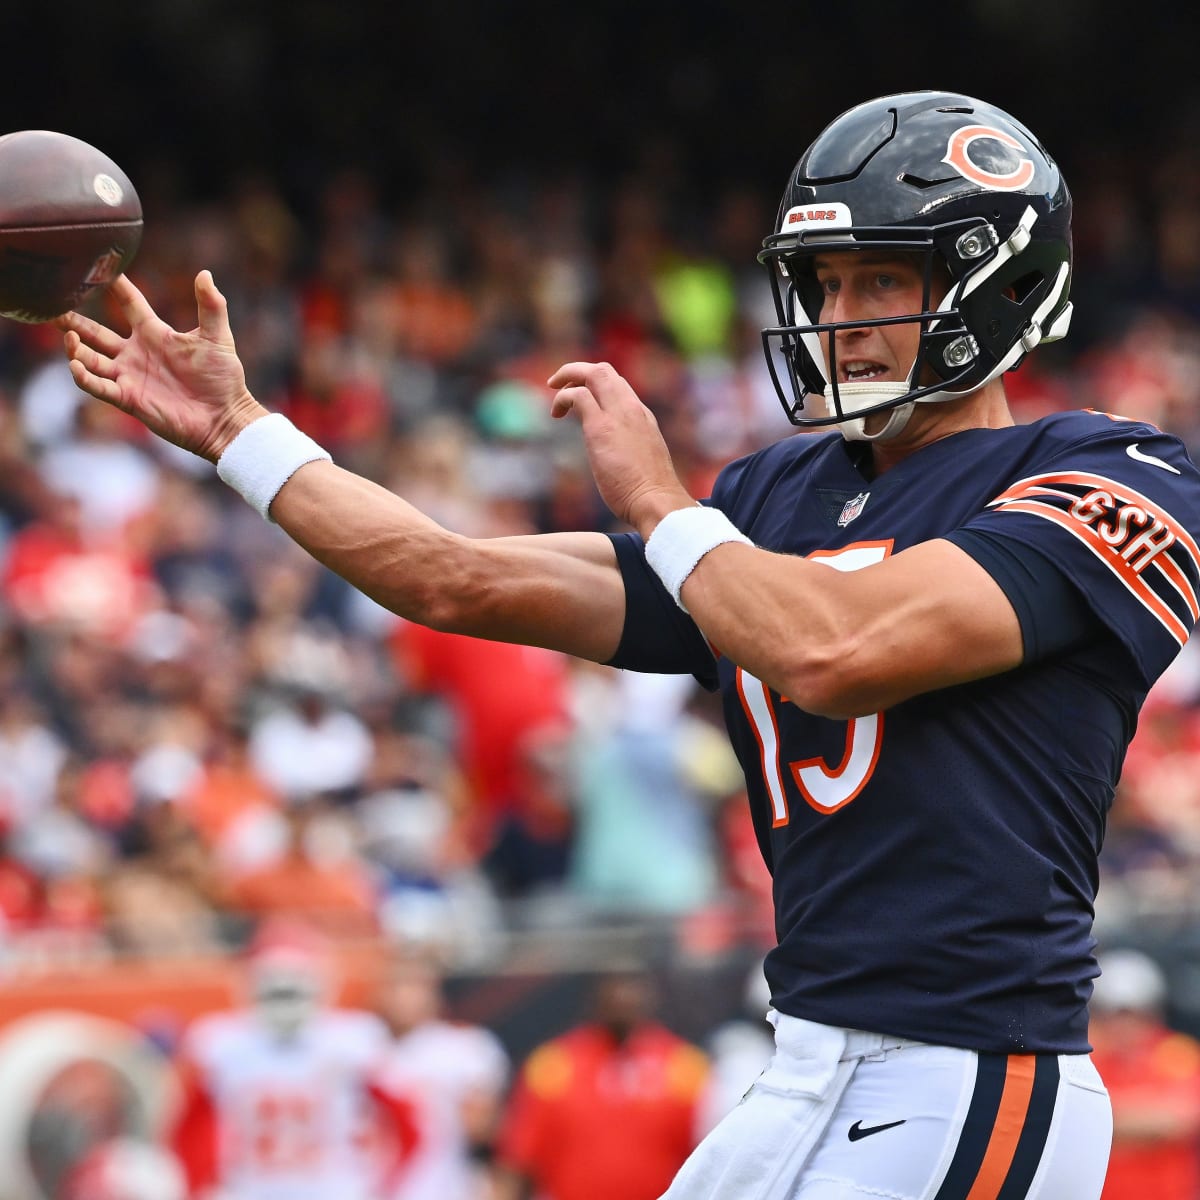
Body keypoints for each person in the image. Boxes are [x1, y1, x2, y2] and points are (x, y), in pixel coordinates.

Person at [55, 88, 1200, 1197]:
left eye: (884, 280)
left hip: (969, 1071)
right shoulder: (775, 497)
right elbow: (448, 576)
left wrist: (665, 506)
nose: (843, 317)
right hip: (800, 1058)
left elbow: (839, 652)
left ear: (998, 283)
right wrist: (240, 433)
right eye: (827, 281)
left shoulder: (1113, 475)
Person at [168, 917, 418, 1200]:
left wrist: (385, 1185)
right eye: (276, 992)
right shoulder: (221, 1044)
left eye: (293, 991)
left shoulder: (354, 1040)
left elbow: (407, 1124)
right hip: (260, 1188)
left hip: (328, 1188)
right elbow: (188, 1130)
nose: (285, 1003)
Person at [494, 967, 709, 1200]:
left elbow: (707, 1159)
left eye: (630, 986)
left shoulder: (683, 1065)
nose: (622, 997)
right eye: (614, 986)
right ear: (596, 997)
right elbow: (517, 1161)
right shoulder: (554, 1065)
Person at [370, 949, 510, 1200]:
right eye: (396, 984)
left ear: (434, 991)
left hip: (441, 1188)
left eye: (414, 985)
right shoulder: (357, 1046)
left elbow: (484, 1130)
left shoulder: (462, 1048)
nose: (404, 996)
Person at [1088, 948, 1200, 1199]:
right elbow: (1073, 1117)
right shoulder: (1088, 1058)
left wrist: (1112, 1119)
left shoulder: (1177, 1052)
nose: (1124, 1025)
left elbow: (1183, 1117)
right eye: (1113, 1014)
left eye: (1133, 1014)